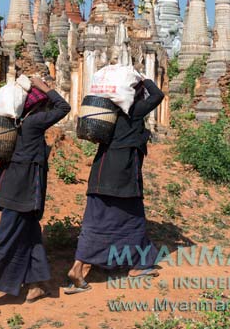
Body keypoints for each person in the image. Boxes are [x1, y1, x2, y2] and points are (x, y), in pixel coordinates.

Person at [0, 77, 71, 316]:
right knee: (6, 241)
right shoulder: (34, 123)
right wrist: (46, 88)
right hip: (20, 194)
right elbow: (64, 107)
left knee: (32, 235)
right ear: (38, 105)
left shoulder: (17, 123)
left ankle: (35, 285)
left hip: (14, 192)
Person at [65, 76, 165, 293]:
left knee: (95, 221)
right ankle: (137, 264)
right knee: (133, 220)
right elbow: (158, 95)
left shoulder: (107, 115)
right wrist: (144, 79)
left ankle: (78, 266)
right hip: (123, 179)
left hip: (100, 176)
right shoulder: (134, 111)